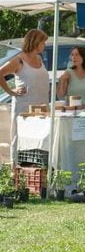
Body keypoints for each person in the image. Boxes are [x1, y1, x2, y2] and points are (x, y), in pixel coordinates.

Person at [0, 29, 50, 165]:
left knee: (39, 140)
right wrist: (11, 92)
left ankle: (35, 172)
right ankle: (15, 172)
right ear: (36, 42)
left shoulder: (39, 59)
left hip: (41, 108)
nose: (44, 45)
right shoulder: (19, 60)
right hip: (24, 108)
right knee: (20, 138)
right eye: (43, 42)